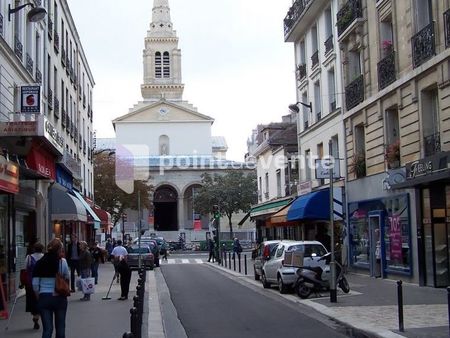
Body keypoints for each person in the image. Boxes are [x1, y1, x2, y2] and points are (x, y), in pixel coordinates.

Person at [32, 238, 70, 338]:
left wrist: (38, 297)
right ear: (59, 249)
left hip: (44, 297)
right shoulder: (62, 262)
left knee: (47, 329)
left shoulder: (39, 263)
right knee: (60, 327)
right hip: (60, 297)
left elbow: (35, 285)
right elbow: (67, 277)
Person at [23, 242, 44, 330]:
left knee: (32, 300)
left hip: (30, 283)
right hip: (41, 282)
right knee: (40, 299)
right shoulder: (44, 257)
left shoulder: (29, 257)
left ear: (34, 249)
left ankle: (35, 316)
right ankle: (37, 315)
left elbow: (24, 268)